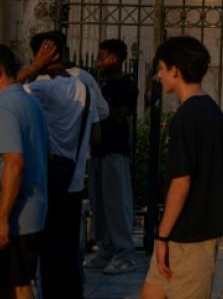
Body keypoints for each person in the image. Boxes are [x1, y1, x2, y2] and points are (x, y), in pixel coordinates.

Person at [140, 36, 223, 299]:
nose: (159, 75)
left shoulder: (185, 118)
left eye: (161, 68)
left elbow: (181, 182)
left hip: (191, 234)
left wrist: (161, 237)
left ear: (176, 71)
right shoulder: (213, 111)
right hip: (185, 232)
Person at [23, 33, 100, 298]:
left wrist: (33, 68)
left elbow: (7, 92)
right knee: (68, 248)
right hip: (74, 179)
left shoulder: (41, 88)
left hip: (48, 179)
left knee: (49, 249)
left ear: (43, 54)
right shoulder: (85, 88)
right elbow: (97, 135)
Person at [0, 45, 50, 299]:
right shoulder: (30, 101)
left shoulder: (4, 107)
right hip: (29, 211)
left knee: (15, 287)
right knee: (14, 286)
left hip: (14, 218)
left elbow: (15, 162)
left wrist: (2, 219)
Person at [85, 39, 139, 275]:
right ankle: (105, 250)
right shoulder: (101, 85)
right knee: (99, 205)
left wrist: (99, 104)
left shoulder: (126, 86)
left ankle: (124, 254)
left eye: (103, 56)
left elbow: (120, 115)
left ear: (115, 59)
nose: (98, 60)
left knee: (116, 204)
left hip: (115, 150)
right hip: (98, 150)